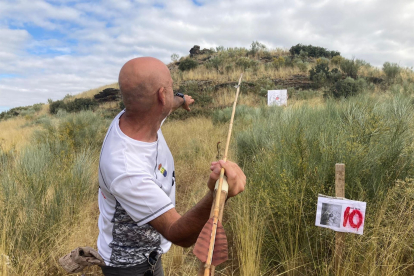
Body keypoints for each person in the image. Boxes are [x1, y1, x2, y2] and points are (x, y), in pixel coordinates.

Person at [97, 57, 246, 276]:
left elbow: (167, 106)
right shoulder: (125, 168)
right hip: (129, 268)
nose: (173, 91)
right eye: (171, 86)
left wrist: (180, 99)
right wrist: (218, 194)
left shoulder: (139, 116)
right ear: (160, 96)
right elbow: (178, 234)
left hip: (150, 254)